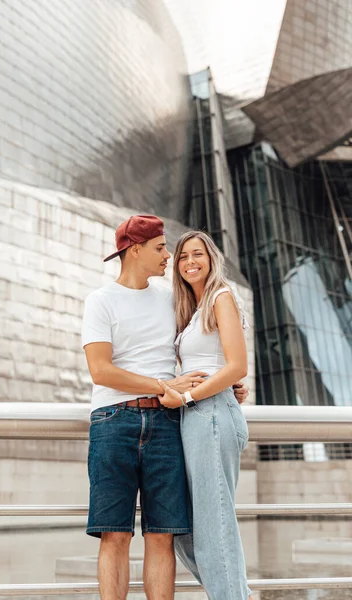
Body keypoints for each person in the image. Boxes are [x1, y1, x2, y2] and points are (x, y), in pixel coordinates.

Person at [82, 215, 248, 600]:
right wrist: (165, 386)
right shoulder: (100, 301)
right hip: (113, 421)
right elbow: (101, 370)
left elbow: (209, 345)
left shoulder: (174, 298)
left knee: (164, 535)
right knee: (114, 534)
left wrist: (223, 385)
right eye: (160, 247)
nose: (169, 256)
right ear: (134, 250)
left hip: (168, 420)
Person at [157, 230, 253, 600]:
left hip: (209, 415)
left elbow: (237, 366)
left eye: (198, 254)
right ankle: (236, 594)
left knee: (214, 528)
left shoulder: (221, 297)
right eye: (182, 257)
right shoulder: (192, 310)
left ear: (212, 258)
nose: (190, 262)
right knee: (185, 531)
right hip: (196, 417)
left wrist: (187, 397)